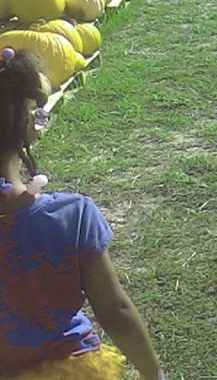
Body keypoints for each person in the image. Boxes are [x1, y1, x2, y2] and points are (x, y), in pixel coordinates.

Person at [0, 47, 164, 380]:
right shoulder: (71, 215)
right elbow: (114, 311)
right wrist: (154, 375)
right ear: (32, 125)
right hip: (72, 368)